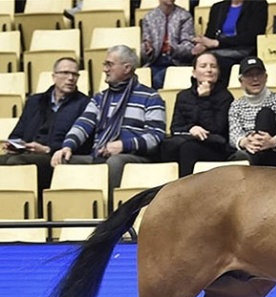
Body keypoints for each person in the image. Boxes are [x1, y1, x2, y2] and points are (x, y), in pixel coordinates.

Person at [50, 45, 166, 209]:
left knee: (115, 162)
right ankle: (68, 214)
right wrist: (67, 146)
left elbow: (156, 136)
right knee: (63, 160)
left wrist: (123, 145)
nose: (104, 69)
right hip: (100, 154)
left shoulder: (150, 97)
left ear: (126, 68)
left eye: (109, 64)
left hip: (135, 156)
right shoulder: (100, 98)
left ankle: (111, 214)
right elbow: (83, 124)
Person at [0, 57, 89, 215]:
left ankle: (21, 214)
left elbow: (85, 143)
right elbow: (17, 133)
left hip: (55, 156)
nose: (70, 78)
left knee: (17, 162)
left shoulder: (84, 103)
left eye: (75, 74)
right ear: (54, 76)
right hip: (28, 152)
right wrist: (14, 145)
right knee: (7, 159)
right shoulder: (35, 101)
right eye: (65, 73)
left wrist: (48, 149)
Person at [159, 52, 233, 177]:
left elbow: (217, 129)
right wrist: (191, 129)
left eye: (213, 66)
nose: (209, 70)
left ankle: (184, 189)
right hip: (187, 141)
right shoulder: (183, 96)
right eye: (203, 66)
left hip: (215, 147)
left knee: (189, 148)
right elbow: (175, 128)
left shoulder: (225, 97)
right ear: (194, 73)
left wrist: (205, 100)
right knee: (167, 146)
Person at [228, 56, 276, 167]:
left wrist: (272, 142)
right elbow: (234, 135)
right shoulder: (236, 105)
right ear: (241, 81)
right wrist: (245, 142)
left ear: (265, 77)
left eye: (258, 74)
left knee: (265, 114)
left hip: (275, 153)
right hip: (249, 150)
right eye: (249, 75)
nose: (255, 79)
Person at [191, 0, 268, 86]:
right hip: (218, 51)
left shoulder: (258, 4)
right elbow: (210, 35)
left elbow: (253, 36)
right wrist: (203, 45)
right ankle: (199, 93)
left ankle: (219, 95)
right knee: (199, 61)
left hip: (243, 50)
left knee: (219, 64)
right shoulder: (217, 7)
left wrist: (218, 43)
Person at [141, 0, 195, 90]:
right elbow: (144, 51)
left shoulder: (185, 16)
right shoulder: (149, 17)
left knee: (158, 80)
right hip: (154, 62)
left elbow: (189, 47)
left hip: (176, 63)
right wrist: (147, 50)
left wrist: (174, 49)